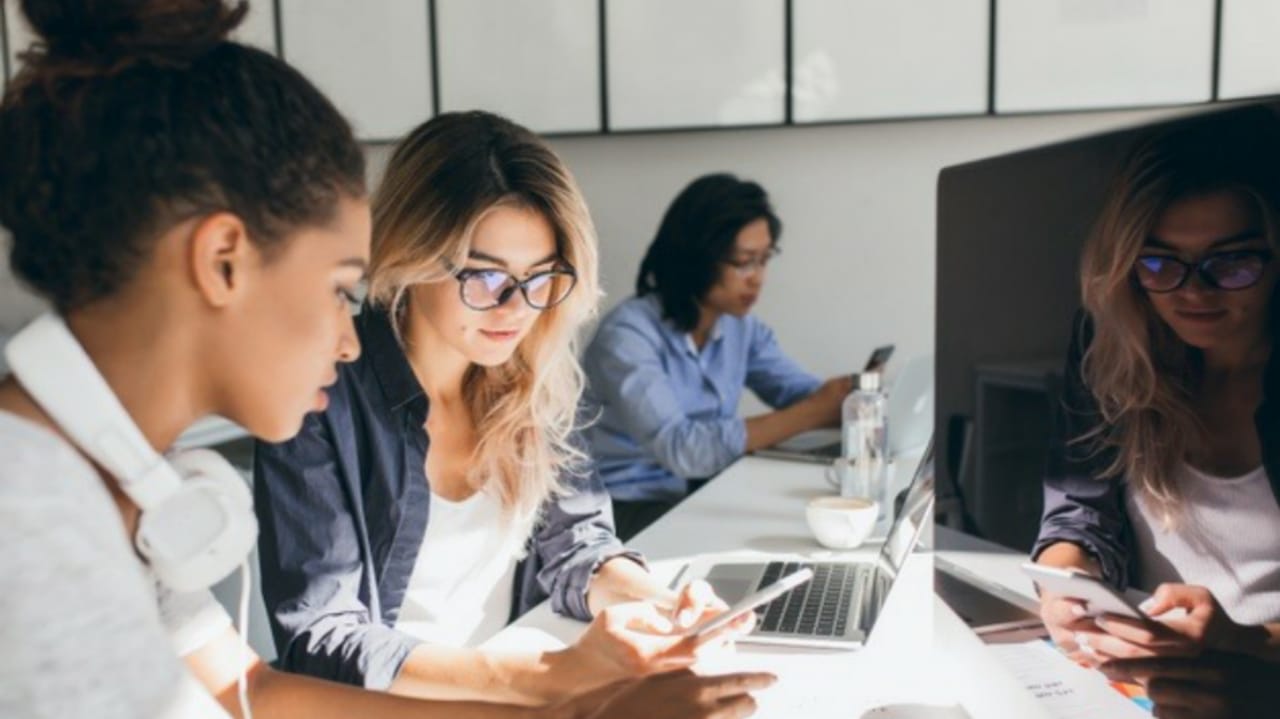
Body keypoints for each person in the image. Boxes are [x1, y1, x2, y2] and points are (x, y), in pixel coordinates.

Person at [0, 2, 770, 717]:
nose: (348, 339)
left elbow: (254, 690)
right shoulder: (29, 517)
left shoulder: (119, 483)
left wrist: (572, 702)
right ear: (224, 259)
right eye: (341, 288)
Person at [253, 111, 750, 706]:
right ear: (411, 256)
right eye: (487, 278)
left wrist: (663, 604)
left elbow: (577, 545)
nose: (517, 309)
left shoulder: (535, 381)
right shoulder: (319, 395)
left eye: (541, 278)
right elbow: (322, 638)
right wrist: (543, 676)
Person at [1031, 110, 1280, 719]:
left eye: (1232, 263)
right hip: (1141, 689)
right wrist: (1064, 589)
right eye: (1160, 263)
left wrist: (1250, 647)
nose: (1193, 292)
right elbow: (1077, 512)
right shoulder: (1111, 348)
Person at [581, 173, 854, 539]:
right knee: (762, 532)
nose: (757, 278)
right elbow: (681, 449)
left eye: (764, 260)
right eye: (744, 262)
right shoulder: (627, 336)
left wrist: (854, 399)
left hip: (696, 491)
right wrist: (815, 411)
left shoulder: (740, 328)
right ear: (698, 259)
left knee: (791, 518)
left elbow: (800, 395)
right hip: (620, 509)